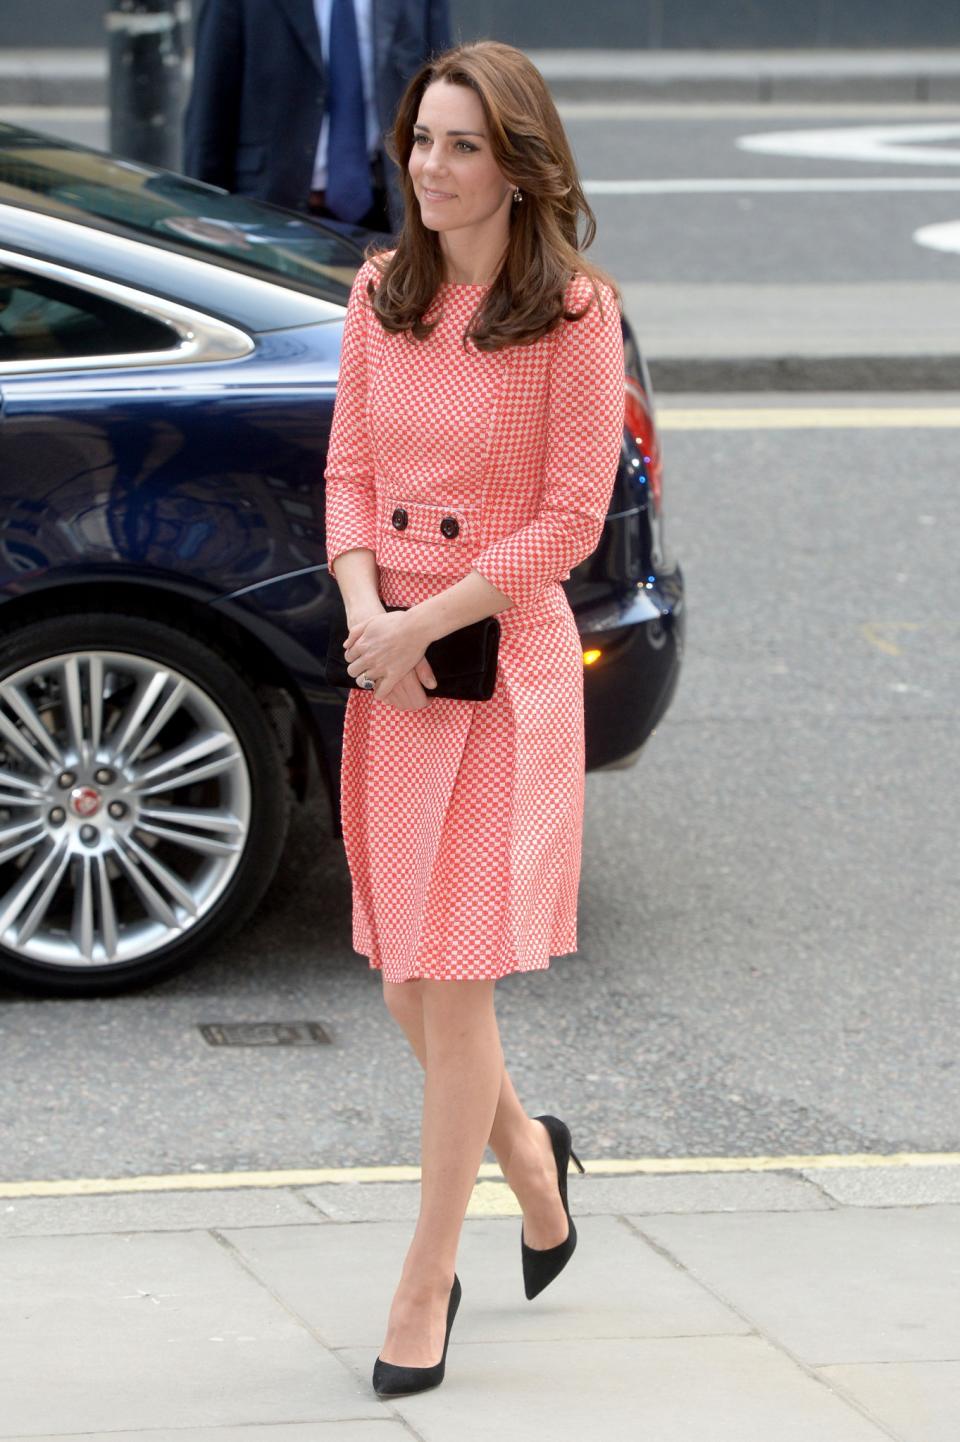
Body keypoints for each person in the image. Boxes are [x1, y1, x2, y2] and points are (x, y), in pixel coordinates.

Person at [323, 39, 626, 1396]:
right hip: (391, 669)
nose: (428, 167)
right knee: (409, 981)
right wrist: (360, 616)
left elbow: (567, 521)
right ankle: (529, 1159)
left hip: (494, 667)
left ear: (517, 163)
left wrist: (418, 623)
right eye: (419, 140)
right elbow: (344, 474)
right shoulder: (378, 295)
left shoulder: (570, 314)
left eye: (458, 144)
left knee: (450, 978)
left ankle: (424, 1276)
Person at [182, 0, 451, 232]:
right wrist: (208, 219)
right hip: (270, 213)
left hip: (390, 211)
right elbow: (210, 111)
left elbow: (441, 84)